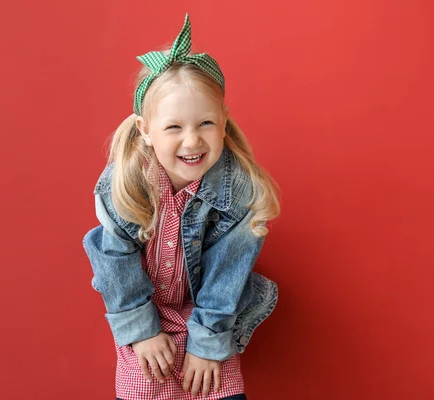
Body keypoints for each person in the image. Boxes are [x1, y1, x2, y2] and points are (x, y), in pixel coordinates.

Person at [82, 13, 280, 400]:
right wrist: (140, 331)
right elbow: (113, 259)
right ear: (145, 131)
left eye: (205, 123)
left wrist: (206, 345)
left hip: (211, 314)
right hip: (142, 308)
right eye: (174, 127)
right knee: (145, 383)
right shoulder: (124, 183)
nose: (192, 142)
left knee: (215, 386)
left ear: (223, 122)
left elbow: (227, 277)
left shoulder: (239, 192)